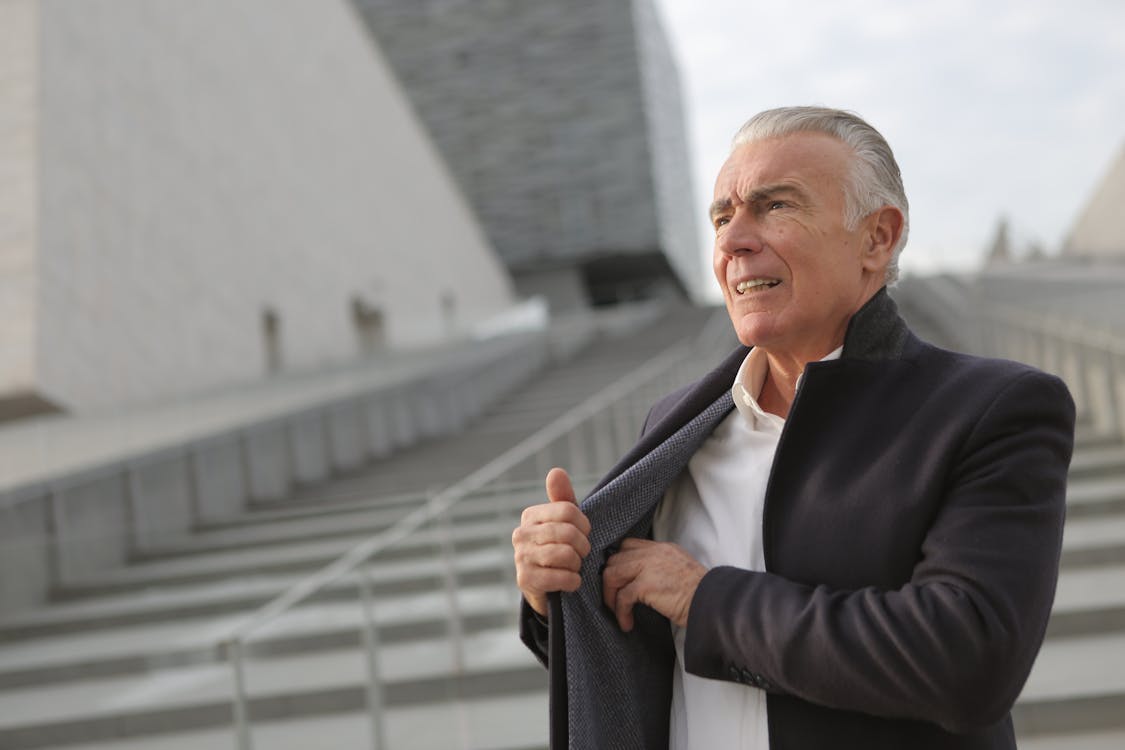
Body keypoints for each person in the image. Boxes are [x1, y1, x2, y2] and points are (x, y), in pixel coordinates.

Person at [511, 106, 1075, 749]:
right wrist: (554, 590)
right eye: (722, 218)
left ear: (878, 238)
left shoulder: (993, 408)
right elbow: (635, 656)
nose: (732, 242)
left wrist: (706, 602)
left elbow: (967, 659)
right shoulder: (676, 424)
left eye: (774, 207)